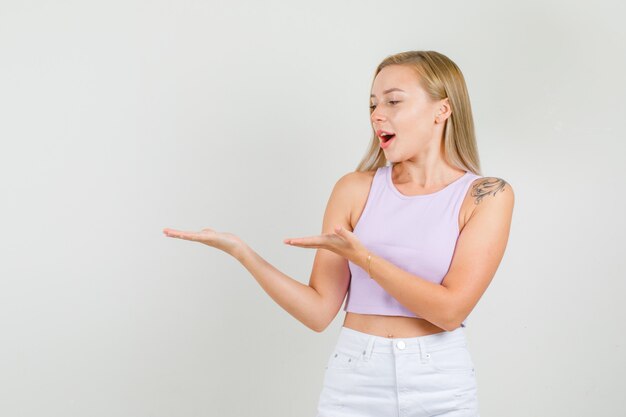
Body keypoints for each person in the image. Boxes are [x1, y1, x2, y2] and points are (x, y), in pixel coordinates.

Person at [163, 50, 514, 417]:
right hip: (356, 376)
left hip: (440, 380)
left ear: (442, 110)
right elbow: (318, 312)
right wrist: (242, 253)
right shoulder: (354, 189)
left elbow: (449, 312)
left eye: (393, 101)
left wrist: (362, 258)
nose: (378, 114)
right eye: (373, 104)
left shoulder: (486, 195)